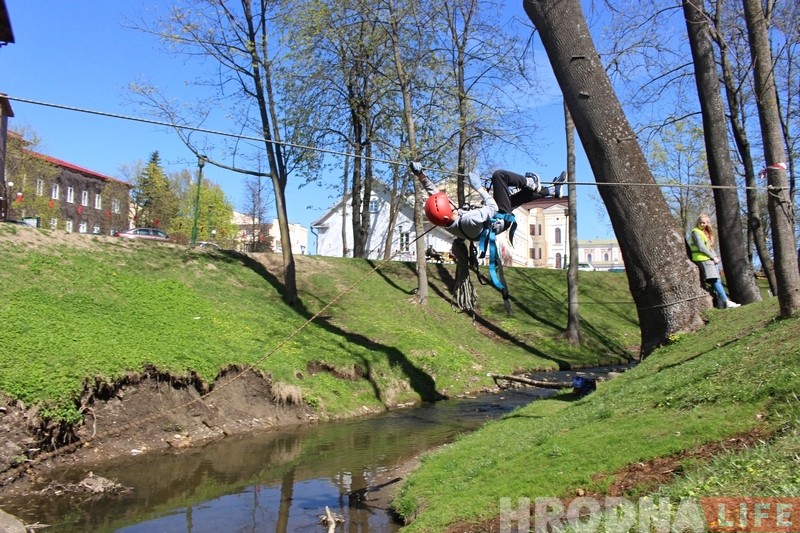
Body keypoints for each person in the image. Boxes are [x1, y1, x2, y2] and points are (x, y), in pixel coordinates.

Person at [410, 161, 565, 313]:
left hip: (493, 220)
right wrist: (478, 187)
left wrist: (420, 174)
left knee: (514, 198)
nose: (451, 202)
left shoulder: (446, 220)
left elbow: (434, 194)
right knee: (499, 176)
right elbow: (493, 207)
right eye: (449, 204)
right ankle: (531, 182)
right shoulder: (468, 220)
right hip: (500, 218)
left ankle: (552, 192)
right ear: (447, 210)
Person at [687, 214, 740, 309]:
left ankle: (722, 304)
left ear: (707, 223)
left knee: (716, 281)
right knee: (715, 280)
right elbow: (701, 247)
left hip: (708, 258)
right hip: (703, 258)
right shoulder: (696, 232)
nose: (702, 224)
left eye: (704, 222)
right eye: (700, 222)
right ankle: (726, 301)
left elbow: (708, 247)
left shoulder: (704, 232)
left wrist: (714, 256)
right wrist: (713, 257)